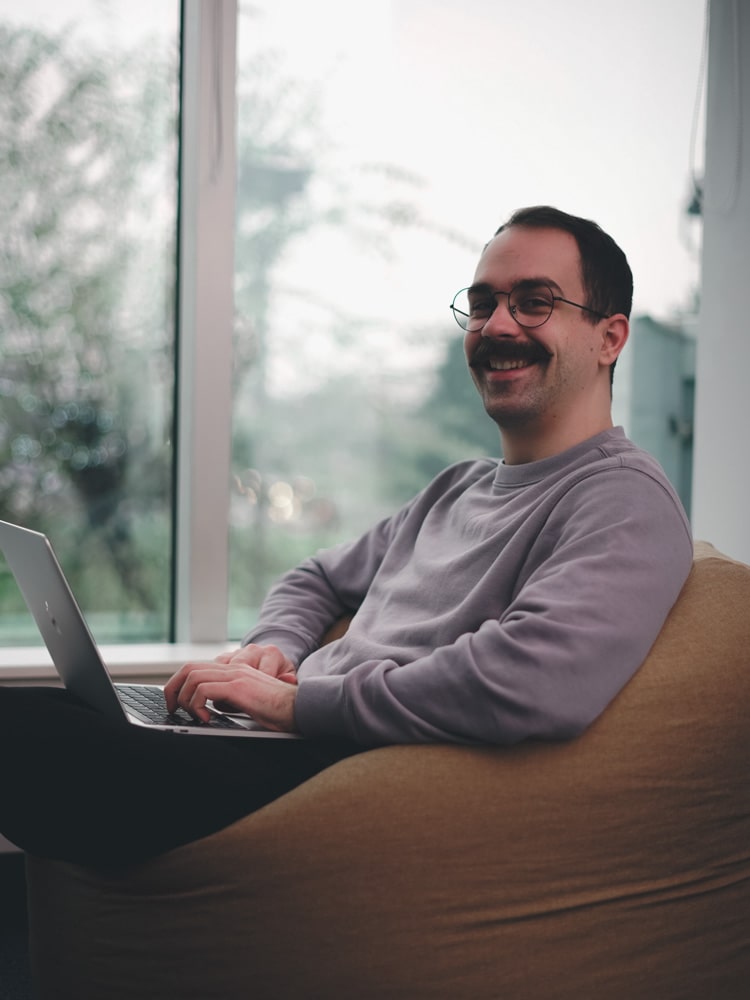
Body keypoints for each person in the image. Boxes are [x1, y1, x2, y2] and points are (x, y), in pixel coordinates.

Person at [0, 206, 693, 866]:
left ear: (610, 337)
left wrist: (294, 704)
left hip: (330, 776)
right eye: (482, 304)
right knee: (50, 711)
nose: (498, 326)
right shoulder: (456, 489)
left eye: (535, 301)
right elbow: (318, 578)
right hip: (275, 742)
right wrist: (273, 650)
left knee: (22, 737)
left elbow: (536, 678)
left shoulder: (623, 499)